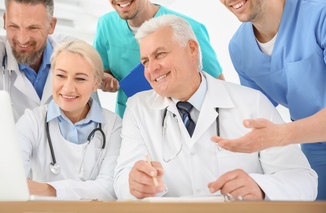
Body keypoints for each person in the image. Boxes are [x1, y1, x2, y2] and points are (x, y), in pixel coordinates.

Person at [114, 14, 317, 201]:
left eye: (160, 54)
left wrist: (260, 187)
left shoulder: (251, 102)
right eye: (145, 61)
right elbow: (122, 179)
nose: (151, 69)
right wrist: (134, 184)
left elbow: (304, 181)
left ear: (192, 49)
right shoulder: (138, 107)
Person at [207, 0, 326, 200]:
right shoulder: (239, 48)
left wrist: (281, 135)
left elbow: (273, 134)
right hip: (314, 149)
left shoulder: (319, 14)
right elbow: (257, 116)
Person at [93, 0, 224, 118]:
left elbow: (218, 88)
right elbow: (102, 69)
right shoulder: (106, 25)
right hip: (130, 120)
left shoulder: (188, 28)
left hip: (181, 121)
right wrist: (105, 78)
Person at [16, 39, 122, 200]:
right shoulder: (32, 122)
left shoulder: (114, 125)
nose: (68, 88)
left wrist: (49, 190)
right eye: (60, 76)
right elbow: (15, 182)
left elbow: (109, 188)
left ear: (96, 83)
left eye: (80, 79)